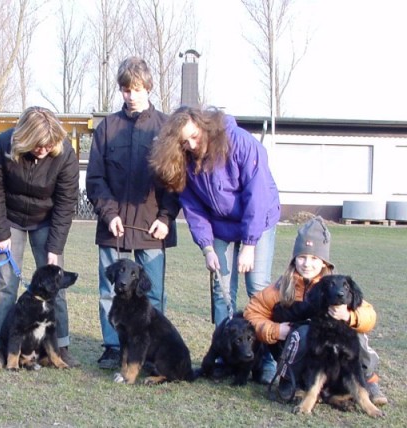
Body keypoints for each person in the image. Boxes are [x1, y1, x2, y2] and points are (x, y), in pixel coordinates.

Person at [149, 105, 279, 383]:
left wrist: (250, 243)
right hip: (219, 225)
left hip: (258, 220)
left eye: (195, 136)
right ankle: (225, 355)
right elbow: (193, 207)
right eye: (185, 142)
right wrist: (207, 247)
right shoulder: (184, 161)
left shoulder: (239, 142)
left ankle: (265, 360)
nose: (192, 145)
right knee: (221, 289)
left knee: (258, 288)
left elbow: (257, 194)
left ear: (203, 124)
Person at [86, 57, 180, 369]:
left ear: (148, 88)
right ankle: (113, 347)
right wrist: (109, 214)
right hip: (112, 228)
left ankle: (151, 353)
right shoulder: (106, 128)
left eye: (137, 89)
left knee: (151, 296)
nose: (131, 95)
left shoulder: (166, 128)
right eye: (126, 89)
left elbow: (176, 180)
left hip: (153, 230)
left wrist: (165, 218)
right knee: (107, 292)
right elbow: (95, 179)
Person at [243, 216, 388, 405]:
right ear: (294, 260)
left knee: (355, 334)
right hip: (294, 351)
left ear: (324, 263)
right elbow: (251, 313)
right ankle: (291, 382)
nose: (307, 263)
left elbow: (369, 313)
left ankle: (368, 382)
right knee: (303, 332)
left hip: (329, 355)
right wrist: (276, 330)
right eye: (302, 257)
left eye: (314, 258)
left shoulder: (336, 286)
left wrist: (350, 316)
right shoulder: (279, 288)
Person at [0, 106, 80, 369]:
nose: (44, 149)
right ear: (25, 138)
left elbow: (66, 202)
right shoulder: (4, 145)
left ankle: (60, 347)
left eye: (49, 145)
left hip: (47, 220)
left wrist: (55, 246)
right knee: (5, 283)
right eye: (38, 145)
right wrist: (0, 233)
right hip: (10, 218)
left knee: (55, 285)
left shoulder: (65, 154)